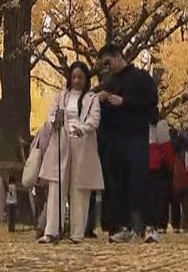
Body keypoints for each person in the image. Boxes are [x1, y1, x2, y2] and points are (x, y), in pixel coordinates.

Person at [95, 44, 160, 243]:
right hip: (115, 138)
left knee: (140, 180)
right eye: (103, 65)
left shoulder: (140, 78)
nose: (107, 67)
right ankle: (123, 225)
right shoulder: (108, 82)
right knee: (119, 182)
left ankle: (150, 225)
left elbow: (151, 101)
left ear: (118, 56)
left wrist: (125, 102)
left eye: (108, 62)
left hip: (137, 135)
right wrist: (99, 99)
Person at [36, 62, 103, 244]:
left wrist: (83, 128)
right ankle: (51, 231)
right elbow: (52, 115)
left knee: (79, 188)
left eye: (80, 77)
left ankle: (77, 233)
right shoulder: (62, 96)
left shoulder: (92, 98)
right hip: (62, 142)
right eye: (73, 77)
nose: (76, 80)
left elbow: (94, 119)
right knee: (57, 185)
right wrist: (54, 122)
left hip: (82, 144)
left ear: (86, 79)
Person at [148, 116, 174, 235]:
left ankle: (146, 221)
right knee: (160, 195)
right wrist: (170, 164)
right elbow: (166, 147)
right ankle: (159, 223)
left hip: (143, 162)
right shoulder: (160, 124)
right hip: (158, 164)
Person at [169, 127, 188, 232]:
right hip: (186, 180)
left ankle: (175, 225)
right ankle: (185, 224)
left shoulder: (171, 150)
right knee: (187, 203)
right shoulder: (186, 151)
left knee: (175, 203)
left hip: (175, 179)